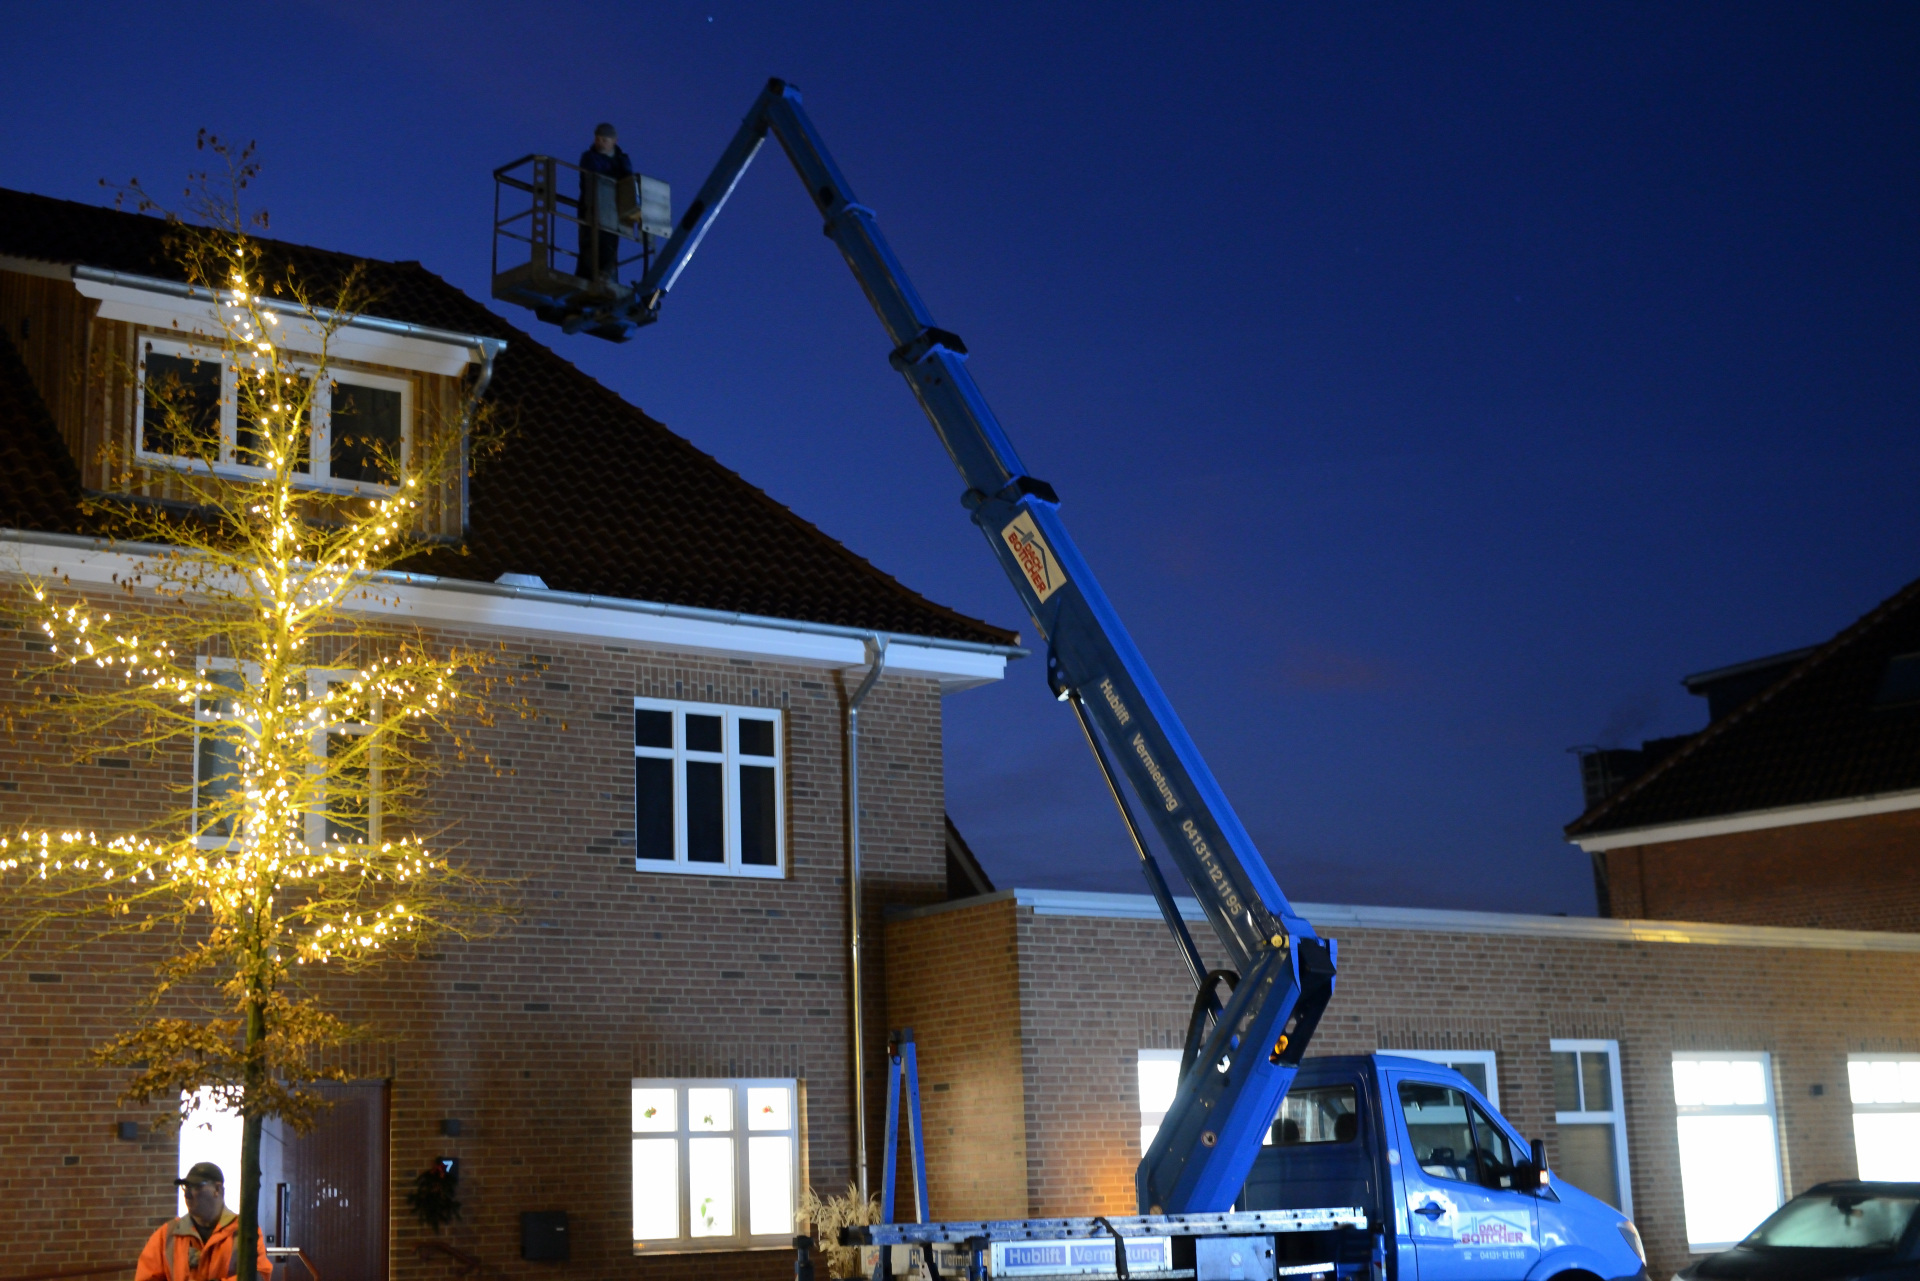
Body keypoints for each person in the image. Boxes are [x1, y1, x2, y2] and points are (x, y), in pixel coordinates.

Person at [134, 1162, 273, 1281]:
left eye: (197, 1187)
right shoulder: (167, 1235)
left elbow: (258, 1275)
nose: (187, 1194)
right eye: (186, 1187)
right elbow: (146, 1276)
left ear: (217, 1189)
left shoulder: (244, 1232)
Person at [578, 122, 635, 282]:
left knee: (609, 245)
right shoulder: (589, 157)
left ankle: (606, 275)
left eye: (604, 139)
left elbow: (627, 180)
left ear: (614, 141)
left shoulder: (623, 160)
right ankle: (585, 276)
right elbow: (595, 173)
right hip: (591, 207)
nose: (600, 143)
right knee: (588, 244)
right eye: (598, 139)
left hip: (613, 211)